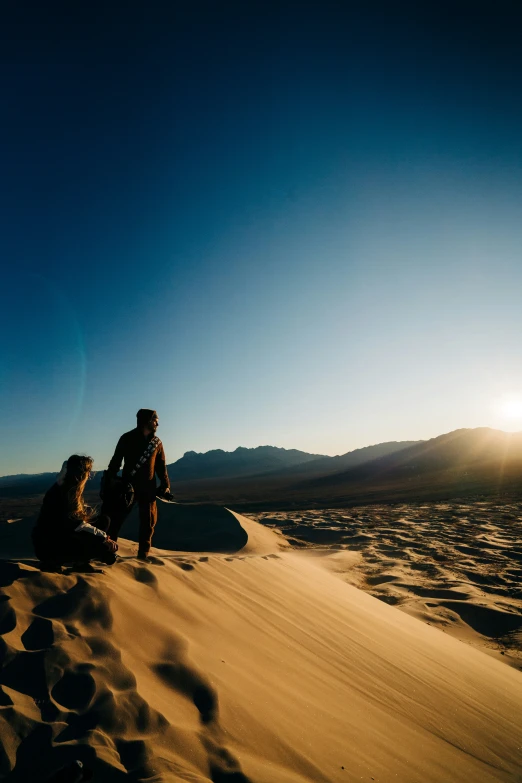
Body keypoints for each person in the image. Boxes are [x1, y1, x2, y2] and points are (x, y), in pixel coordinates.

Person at [102, 409, 172, 561]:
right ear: (147, 421)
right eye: (155, 420)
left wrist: (165, 484)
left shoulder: (157, 443)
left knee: (148, 522)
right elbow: (115, 461)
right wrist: (111, 480)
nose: (158, 423)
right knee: (116, 520)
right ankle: (108, 551)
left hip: (149, 488)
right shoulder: (126, 438)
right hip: (128, 487)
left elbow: (161, 467)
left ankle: (143, 555)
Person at [32, 455, 118, 572]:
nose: (89, 476)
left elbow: (75, 521)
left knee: (103, 521)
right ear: (81, 475)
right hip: (49, 546)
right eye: (88, 473)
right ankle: (63, 562)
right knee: (99, 545)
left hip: (56, 539)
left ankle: (81, 561)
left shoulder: (65, 488)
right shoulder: (64, 493)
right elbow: (76, 525)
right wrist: (104, 538)